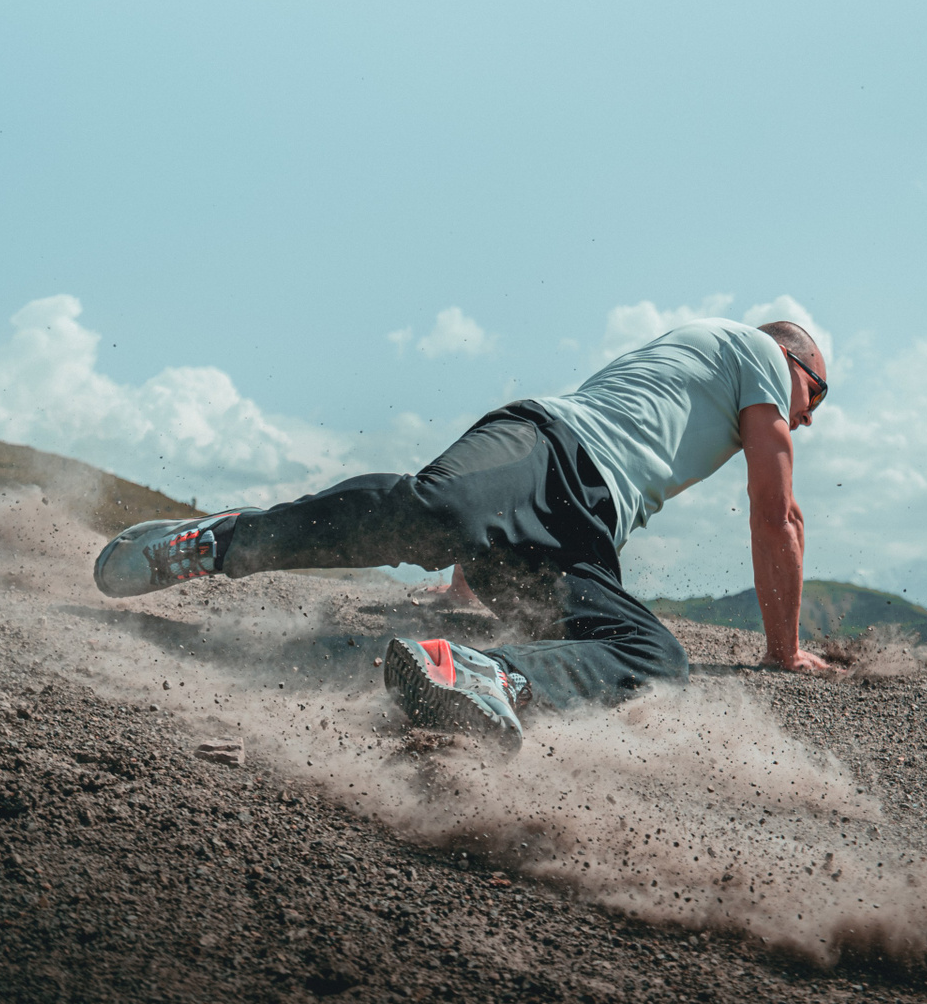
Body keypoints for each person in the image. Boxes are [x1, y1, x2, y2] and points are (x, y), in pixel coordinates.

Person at [93, 318, 833, 751]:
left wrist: (469, 580)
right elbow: (778, 515)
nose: (807, 418)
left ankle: (486, 676)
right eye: (816, 394)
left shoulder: (709, 369)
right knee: (433, 516)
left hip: (586, 528)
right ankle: (219, 542)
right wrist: (784, 651)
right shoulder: (755, 352)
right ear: (790, 357)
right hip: (549, 443)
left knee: (656, 657)